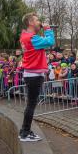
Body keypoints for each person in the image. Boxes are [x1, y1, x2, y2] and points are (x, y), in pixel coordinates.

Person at [19, 12, 55, 142]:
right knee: (31, 104)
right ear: (30, 22)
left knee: (30, 104)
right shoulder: (32, 38)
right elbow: (50, 41)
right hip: (34, 75)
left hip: (30, 74)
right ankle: (25, 133)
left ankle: (25, 130)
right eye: (37, 19)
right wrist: (47, 29)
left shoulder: (25, 36)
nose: (39, 21)